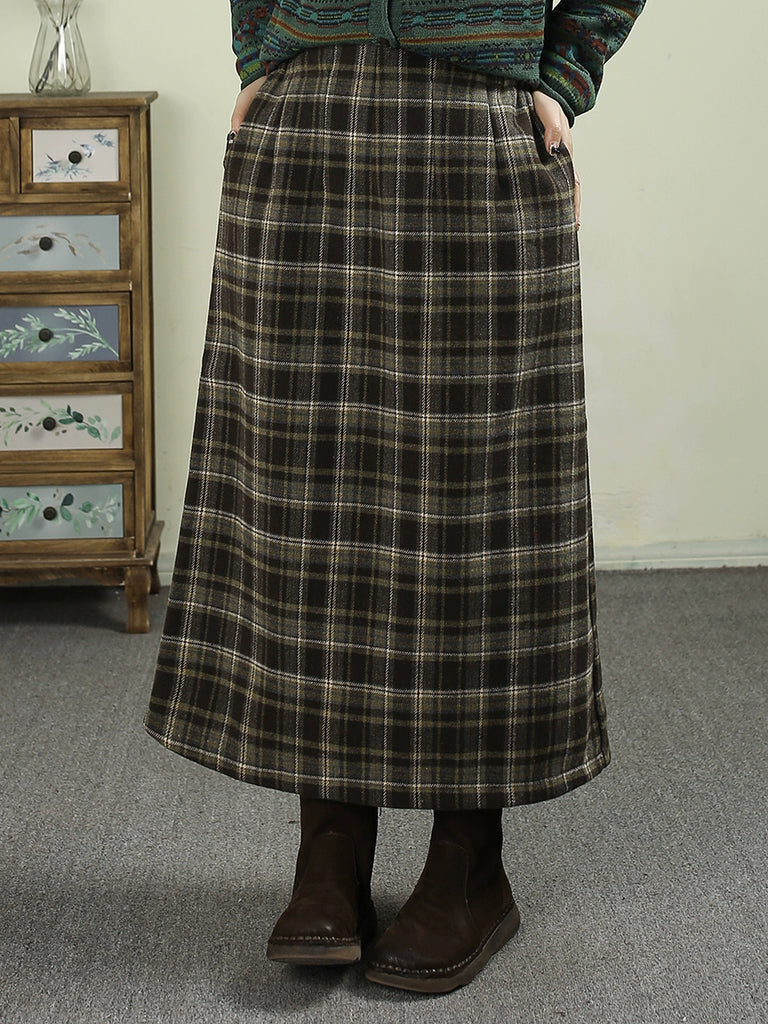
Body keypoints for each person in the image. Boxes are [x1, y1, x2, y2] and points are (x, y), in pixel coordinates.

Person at [145, 0, 646, 994]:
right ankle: (329, 846)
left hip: (477, 112)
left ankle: (470, 861)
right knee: (304, 497)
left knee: (481, 506)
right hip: (308, 111)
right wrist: (259, 56)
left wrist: (564, 76)